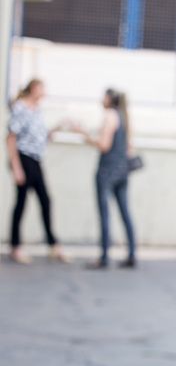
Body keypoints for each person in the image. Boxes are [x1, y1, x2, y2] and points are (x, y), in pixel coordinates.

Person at [7, 79, 70, 264]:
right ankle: (16, 245)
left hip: (36, 159)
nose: (45, 92)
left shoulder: (38, 110)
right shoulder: (20, 107)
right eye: (42, 88)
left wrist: (58, 127)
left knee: (45, 200)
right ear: (34, 88)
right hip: (23, 158)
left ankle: (53, 243)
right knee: (21, 202)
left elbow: (42, 135)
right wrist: (16, 167)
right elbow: (10, 137)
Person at [73, 89, 136, 268]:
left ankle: (104, 257)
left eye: (104, 97)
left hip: (107, 171)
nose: (101, 100)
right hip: (122, 171)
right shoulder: (124, 117)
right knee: (125, 213)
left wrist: (83, 134)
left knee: (105, 214)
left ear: (109, 99)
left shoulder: (109, 115)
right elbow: (129, 147)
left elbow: (104, 144)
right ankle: (131, 254)